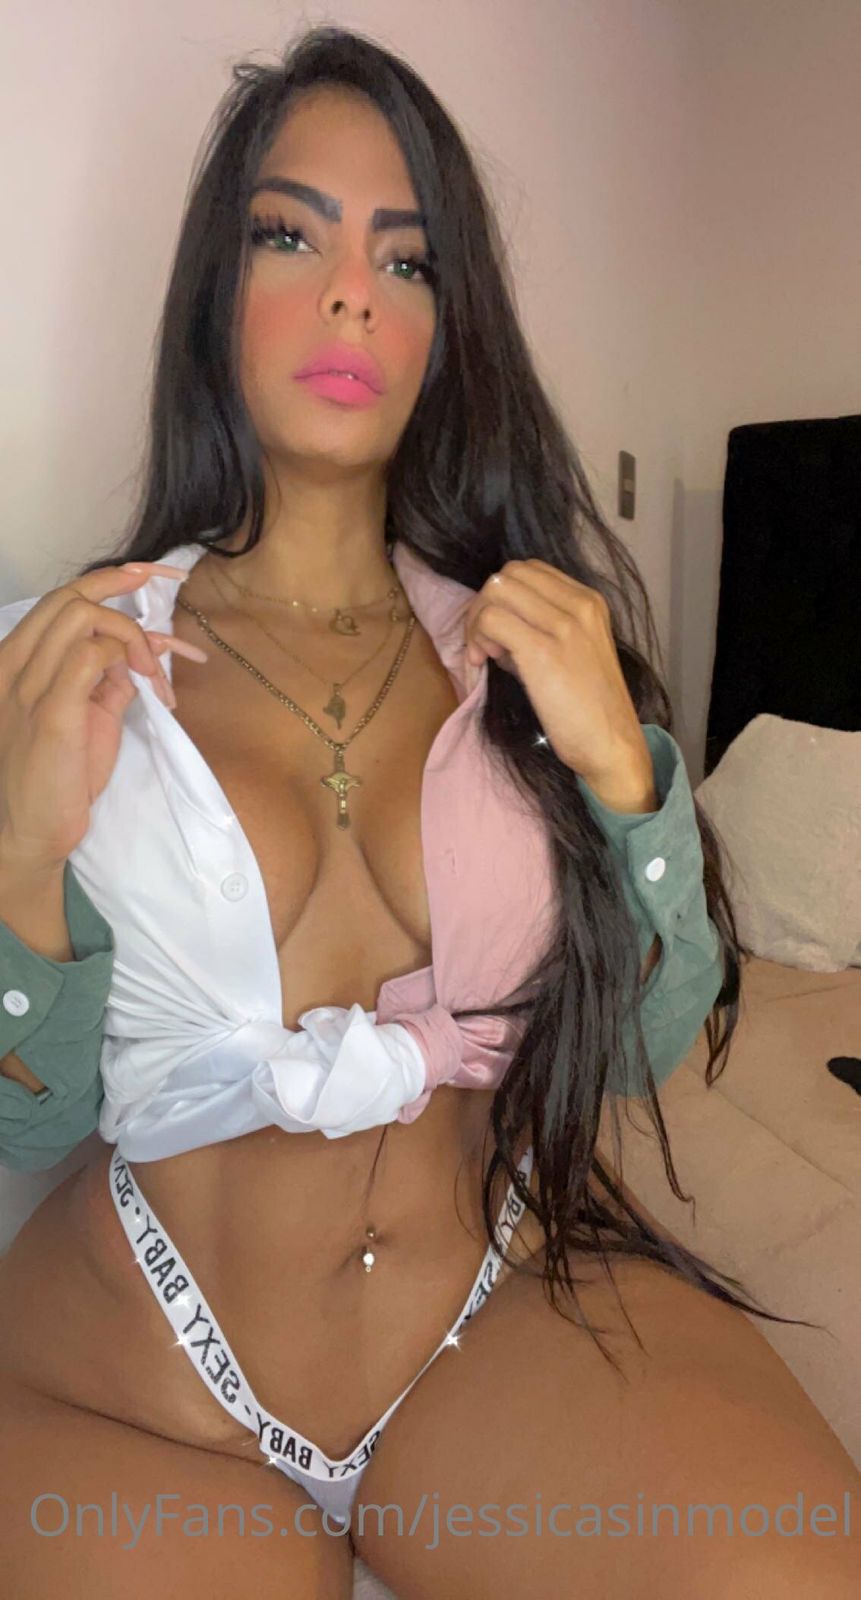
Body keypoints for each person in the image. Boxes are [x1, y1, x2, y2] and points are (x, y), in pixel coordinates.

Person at [0, 25, 857, 1600]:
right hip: (135, 1381)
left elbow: (633, 1054)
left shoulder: (534, 651)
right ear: (213, 291)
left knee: (795, 1572)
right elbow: (29, 1123)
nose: (351, 295)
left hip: (485, 1327)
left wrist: (626, 783)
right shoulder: (63, 662)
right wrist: (15, 850)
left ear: (449, 330)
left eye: (407, 261)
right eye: (291, 236)